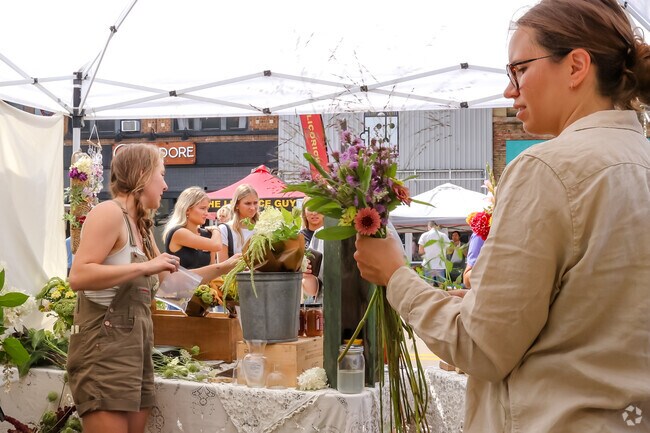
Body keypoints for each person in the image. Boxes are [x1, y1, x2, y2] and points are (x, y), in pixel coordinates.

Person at [354, 1, 650, 431]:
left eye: (519, 69)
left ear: (576, 66)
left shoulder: (547, 168)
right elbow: (593, 321)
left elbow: (483, 348)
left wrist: (397, 276)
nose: (510, 90)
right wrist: (478, 304)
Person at [67, 143, 240, 433]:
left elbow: (171, 286)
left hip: (137, 351)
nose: (165, 184)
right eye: (161, 175)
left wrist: (227, 266)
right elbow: (79, 275)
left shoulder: (142, 228)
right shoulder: (109, 213)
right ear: (142, 175)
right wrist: (145, 266)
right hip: (103, 352)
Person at [162, 186, 222, 269]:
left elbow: (212, 265)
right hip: (181, 282)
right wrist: (216, 229)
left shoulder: (207, 234)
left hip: (205, 281)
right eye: (202, 208)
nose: (206, 213)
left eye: (207, 209)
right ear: (187, 209)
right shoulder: (179, 232)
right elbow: (217, 245)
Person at [217, 184, 259, 261]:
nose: (253, 207)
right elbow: (222, 266)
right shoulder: (224, 230)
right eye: (248, 203)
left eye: (255, 203)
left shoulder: (262, 229)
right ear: (237, 205)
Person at [417, 221, 449, 285]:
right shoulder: (443, 235)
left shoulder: (424, 235)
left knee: (429, 287)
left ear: (429, 227)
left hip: (428, 264)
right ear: (436, 226)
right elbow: (448, 250)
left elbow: (421, 251)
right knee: (441, 287)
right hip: (440, 265)